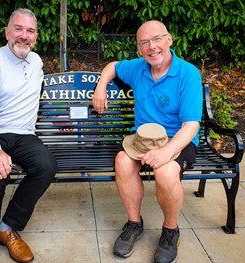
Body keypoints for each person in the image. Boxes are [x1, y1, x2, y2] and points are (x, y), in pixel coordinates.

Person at [92, 20, 203, 263]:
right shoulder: (137, 68)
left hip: (177, 139)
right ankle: (134, 224)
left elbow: (191, 125)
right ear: (139, 48)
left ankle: (170, 231)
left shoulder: (188, 74)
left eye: (156, 39)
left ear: (169, 40)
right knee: (122, 162)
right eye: (144, 43)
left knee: (165, 173)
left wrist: (166, 153)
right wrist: (101, 85)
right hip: (141, 139)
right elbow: (112, 66)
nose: (151, 47)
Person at [0, 8, 57, 263]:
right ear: (7, 32)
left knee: (47, 166)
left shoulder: (37, 61)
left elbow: (38, 96)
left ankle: (7, 227)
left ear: (36, 36)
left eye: (30, 31)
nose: (23, 36)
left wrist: (59, 117)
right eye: (18, 29)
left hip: (22, 134)